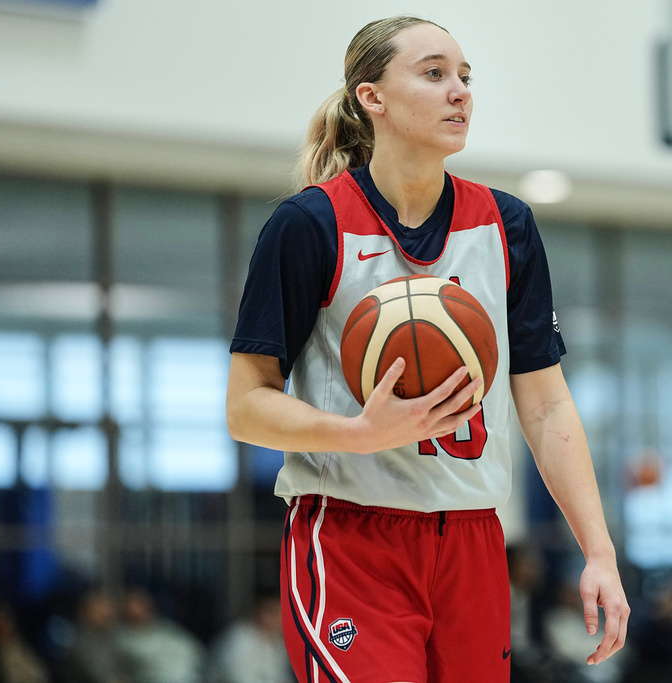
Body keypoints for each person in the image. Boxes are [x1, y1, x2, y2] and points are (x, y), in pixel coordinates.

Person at [226, 15, 629, 683]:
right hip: (352, 536)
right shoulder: (310, 224)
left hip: (472, 540)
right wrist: (356, 433)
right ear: (372, 97)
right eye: (435, 73)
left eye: (466, 77)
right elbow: (246, 406)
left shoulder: (507, 225)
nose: (460, 92)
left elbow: (547, 405)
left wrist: (599, 550)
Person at [206, 590, 294, 683]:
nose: (280, 619)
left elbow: (282, 676)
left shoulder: (278, 642)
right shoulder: (239, 639)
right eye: (274, 613)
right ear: (261, 612)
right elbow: (237, 678)